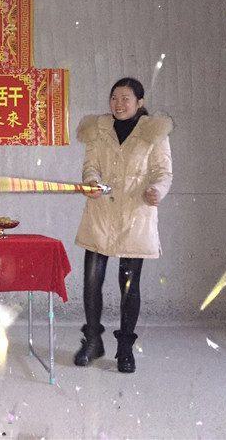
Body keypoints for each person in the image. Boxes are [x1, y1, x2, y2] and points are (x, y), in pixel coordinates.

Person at [73, 77, 173, 373]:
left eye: (126, 98)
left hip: (135, 213)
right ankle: (93, 341)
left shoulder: (153, 132)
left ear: (140, 103)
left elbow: (163, 172)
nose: (119, 103)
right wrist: (91, 181)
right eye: (114, 97)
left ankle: (125, 348)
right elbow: (91, 166)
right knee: (92, 281)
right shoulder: (98, 129)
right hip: (101, 212)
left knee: (129, 285)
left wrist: (157, 190)